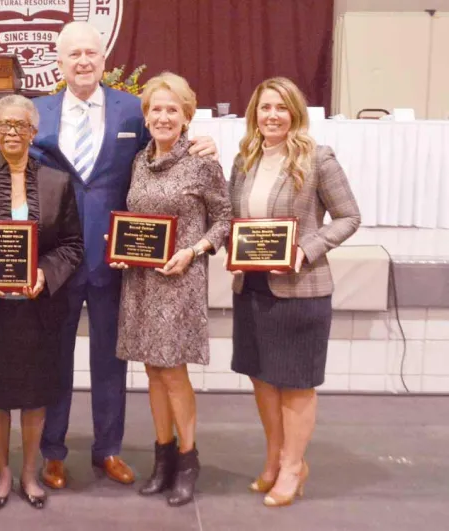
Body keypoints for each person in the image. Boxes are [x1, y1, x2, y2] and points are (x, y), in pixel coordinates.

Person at [31, 21, 219, 488]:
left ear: (104, 59)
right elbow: (2, 152)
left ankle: (108, 449)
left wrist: (204, 143)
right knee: (52, 359)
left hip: (117, 261)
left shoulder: (134, 111)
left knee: (111, 361)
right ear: (58, 62)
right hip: (57, 260)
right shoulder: (37, 111)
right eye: (73, 54)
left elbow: (165, 152)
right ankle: (52, 452)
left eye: (90, 53)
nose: (83, 61)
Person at [228, 77, 360, 507]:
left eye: (281, 107)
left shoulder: (318, 159)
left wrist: (306, 249)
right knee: (262, 378)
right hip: (252, 286)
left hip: (301, 288)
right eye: (265, 107)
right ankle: (274, 458)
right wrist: (233, 249)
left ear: (295, 113)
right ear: (255, 113)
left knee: (296, 383)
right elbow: (233, 220)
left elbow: (349, 216)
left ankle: (293, 466)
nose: (272, 116)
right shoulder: (244, 160)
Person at [0, 95, 84, 510]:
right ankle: (2, 473)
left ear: (33, 132)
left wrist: (44, 274)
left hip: (40, 306)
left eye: (21, 125)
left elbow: (72, 245)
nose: (12, 132)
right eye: (5, 125)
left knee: (35, 393)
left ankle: (29, 472)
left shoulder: (58, 183)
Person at [110, 73, 231, 506]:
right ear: (146, 116)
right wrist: (122, 248)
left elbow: (224, 219)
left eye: (172, 110)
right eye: (156, 109)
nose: (163, 117)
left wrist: (194, 250)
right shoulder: (138, 161)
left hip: (180, 279)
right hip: (142, 279)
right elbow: (134, 219)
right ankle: (162, 458)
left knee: (174, 372)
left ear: (186, 116)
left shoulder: (202, 162)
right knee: (152, 370)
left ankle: (187, 459)